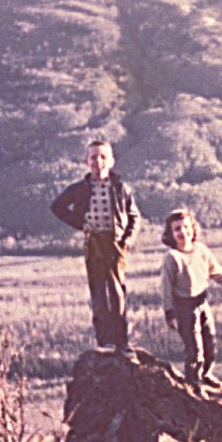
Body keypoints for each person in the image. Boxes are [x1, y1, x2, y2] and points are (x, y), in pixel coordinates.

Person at [51, 138, 140, 356]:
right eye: (93, 157)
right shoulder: (79, 189)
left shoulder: (120, 188)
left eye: (103, 157)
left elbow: (134, 216)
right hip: (93, 243)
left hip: (114, 242)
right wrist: (81, 224)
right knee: (98, 291)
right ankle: (104, 341)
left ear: (111, 161)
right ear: (86, 161)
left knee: (117, 293)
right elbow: (57, 206)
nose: (98, 161)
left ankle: (122, 342)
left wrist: (126, 240)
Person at [161, 208, 222, 391]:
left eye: (185, 227)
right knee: (194, 349)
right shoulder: (172, 258)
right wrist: (169, 313)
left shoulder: (201, 250)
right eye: (176, 229)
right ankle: (194, 383)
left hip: (202, 302)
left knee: (210, 344)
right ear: (171, 234)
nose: (182, 232)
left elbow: (215, 271)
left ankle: (205, 374)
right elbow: (166, 288)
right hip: (184, 307)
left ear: (193, 228)